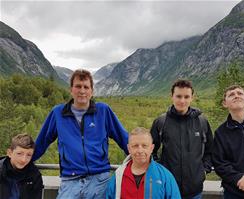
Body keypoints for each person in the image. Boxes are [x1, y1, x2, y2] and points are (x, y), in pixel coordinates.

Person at [32, 69, 129, 199]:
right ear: (71, 90)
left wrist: (143, 160)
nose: (82, 91)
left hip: (99, 178)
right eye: (78, 86)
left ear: (92, 91)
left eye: (86, 87)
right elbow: (41, 142)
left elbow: (123, 138)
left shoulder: (103, 111)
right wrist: (22, 161)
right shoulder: (58, 113)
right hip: (70, 179)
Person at [150, 79, 213, 199]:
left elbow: (211, 150)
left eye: (186, 96)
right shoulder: (161, 122)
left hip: (194, 190)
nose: (182, 101)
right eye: (178, 96)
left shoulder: (202, 122)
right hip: (168, 188)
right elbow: (150, 150)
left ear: (192, 97)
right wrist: (159, 170)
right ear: (172, 96)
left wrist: (204, 171)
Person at [106, 127, 181, 199]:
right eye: (135, 146)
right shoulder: (118, 176)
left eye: (144, 146)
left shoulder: (165, 176)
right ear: (129, 148)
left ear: (151, 148)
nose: (140, 150)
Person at [0, 133, 43, 199]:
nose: (23, 160)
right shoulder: (1, 170)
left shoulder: (34, 175)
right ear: (9, 153)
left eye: (28, 155)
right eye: (19, 154)